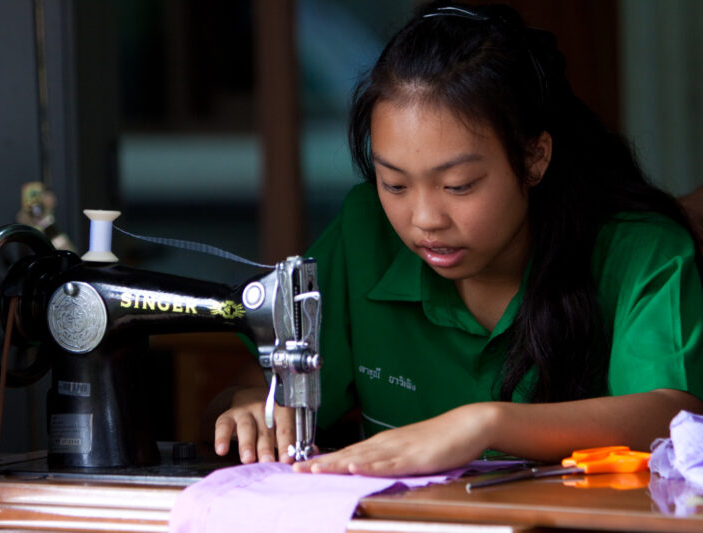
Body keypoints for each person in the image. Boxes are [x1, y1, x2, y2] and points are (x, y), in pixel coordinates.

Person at [211, 1, 703, 476]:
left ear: (534, 158)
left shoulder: (640, 251)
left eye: (458, 186)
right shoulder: (365, 233)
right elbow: (262, 381)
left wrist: (483, 424)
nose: (425, 219)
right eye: (395, 184)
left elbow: (672, 417)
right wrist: (251, 404)